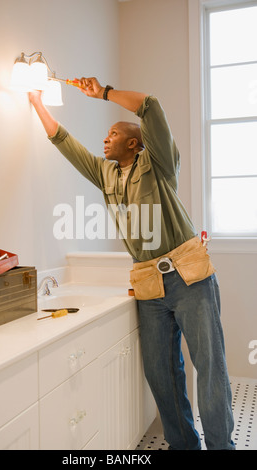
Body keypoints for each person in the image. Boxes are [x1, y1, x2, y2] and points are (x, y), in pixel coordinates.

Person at [29, 77, 235, 450]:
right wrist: (36, 101)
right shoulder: (105, 173)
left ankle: (223, 446)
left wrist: (102, 93)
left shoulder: (158, 163)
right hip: (148, 285)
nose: (104, 139)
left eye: (112, 134)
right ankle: (184, 445)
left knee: (210, 370)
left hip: (188, 276)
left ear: (133, 143)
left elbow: (150, 105)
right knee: (161, 375)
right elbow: (64, 142)